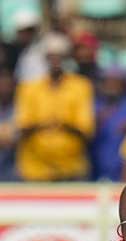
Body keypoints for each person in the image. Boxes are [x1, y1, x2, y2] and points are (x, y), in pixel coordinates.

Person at [14, 33, 94, 182]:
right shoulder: (29, 89)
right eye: (51, 57)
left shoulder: (81, 86)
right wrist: (45, 123)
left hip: (71, 168)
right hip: (35, 169)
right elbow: (22, 126)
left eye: (60, 57)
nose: (55, 61)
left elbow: (86, 128)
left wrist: (61, 123)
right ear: (45, 59)